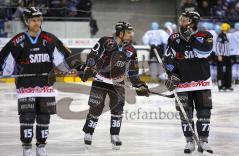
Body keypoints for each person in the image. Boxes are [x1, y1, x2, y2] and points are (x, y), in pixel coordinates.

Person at [0, 7, 75, 156]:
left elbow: (61, 62)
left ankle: (41, 147)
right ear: (26, 21)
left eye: (39, 19)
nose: (37, 23)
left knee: (44, 117)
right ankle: (27, 147)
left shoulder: (49, 39)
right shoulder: (18, 40)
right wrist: (3, 72)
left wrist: (67, 69)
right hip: (25, 87)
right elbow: (6, 63)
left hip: (45, 87)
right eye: (33, 20)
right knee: (27, 117)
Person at [80, 21, 149, 149]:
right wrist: (89, 67)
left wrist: (139, 84)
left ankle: (115, 135)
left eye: (131, 32)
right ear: (120, 32)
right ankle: (88, 132)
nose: (131, 34)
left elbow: (133, 71)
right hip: (100, 80)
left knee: (118, 108)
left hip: (118, 83)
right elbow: (93, 55)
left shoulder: (131, 49)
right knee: (96, 107)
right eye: (128, 32)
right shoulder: (106, 41)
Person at [163, 11, 214, 154]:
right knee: (186, 114)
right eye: (181, 20)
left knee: (204, 112)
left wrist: (191, 38)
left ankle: (203, 141)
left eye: (185, 20)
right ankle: (190, 141)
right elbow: (168, 59)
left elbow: (205, 52)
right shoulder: (174, 38)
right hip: (182, 84)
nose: (181, 23)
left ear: (193, 23)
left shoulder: (205, 36)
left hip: (202, 82)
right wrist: (171, 73)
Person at [216, 23, 233, 91]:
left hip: (227, 56)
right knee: (220, 71)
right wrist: (219, 55)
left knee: (228, 71)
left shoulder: (226, 35)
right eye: (228, 28)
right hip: (222, 56)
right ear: (226, 28)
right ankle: (221, 86)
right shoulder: (220, 36)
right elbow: (217, 46)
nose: (229, 29)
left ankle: (228, 85)